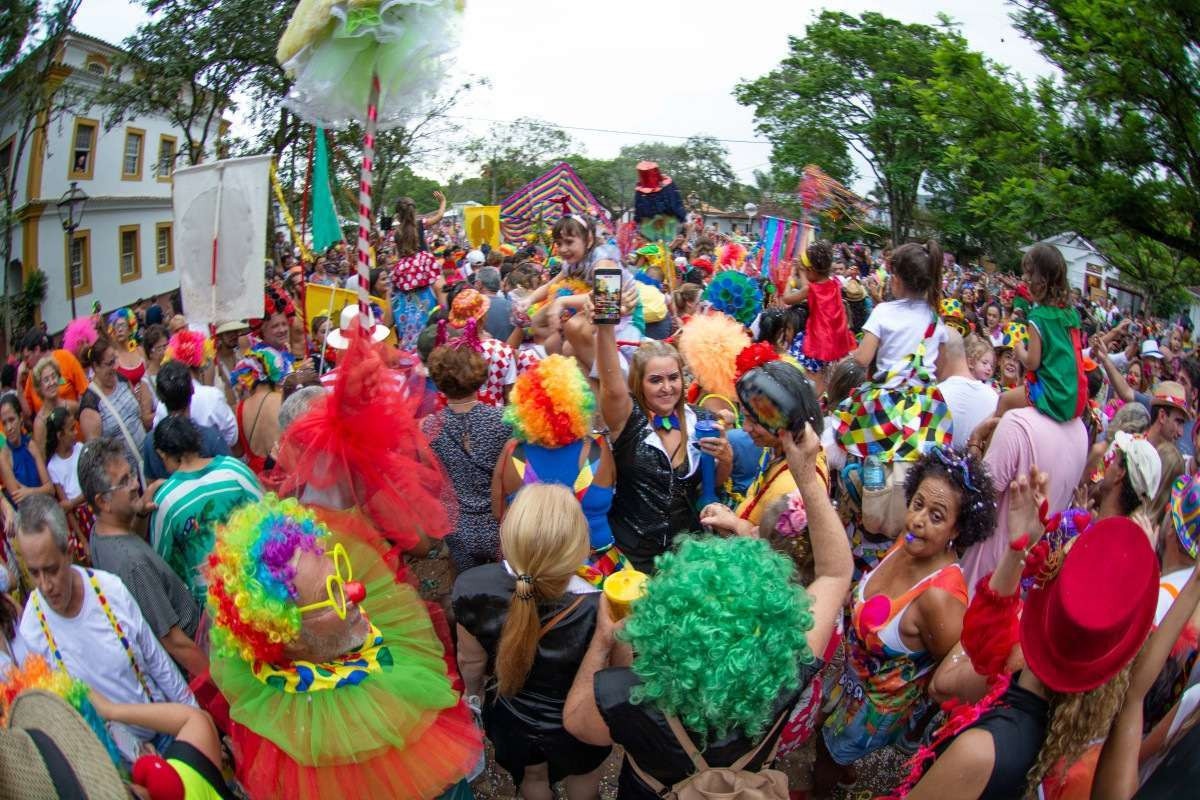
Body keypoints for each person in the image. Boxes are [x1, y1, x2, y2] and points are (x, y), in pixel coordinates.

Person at [562, 424, 853, 799]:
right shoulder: (784, 668)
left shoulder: (629, 693)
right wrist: (807, 476)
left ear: (664, 624)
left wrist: (604, 641)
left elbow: (577, 722)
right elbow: (835, 572)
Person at [205, 495, 481, 800]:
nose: (355, 591)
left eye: (339, 572)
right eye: (330, 593)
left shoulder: (352, 625)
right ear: (291, 636)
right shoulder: (301, 742)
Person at [906, 479, 1158, 799]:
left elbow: (946, 680)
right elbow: (985, 644)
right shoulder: (1058, 729)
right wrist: (1016, 552)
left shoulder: (982, 751)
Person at [819, 447, 997, 789]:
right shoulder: (908, 541)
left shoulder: (939, 598)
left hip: (869, 718)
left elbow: (948, 677)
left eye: (936, 516)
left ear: (957, 531)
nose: (918, 520)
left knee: (825, 769)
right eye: (917, 505)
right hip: (844, 684)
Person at [454, 484, 611, 799]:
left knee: (533, 776)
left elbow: (471, 661)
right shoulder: (603, 604)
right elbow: (618, 673)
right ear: (579, 542)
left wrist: (473, 695)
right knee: (584, 773)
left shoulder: (472, 586)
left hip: (512, 712)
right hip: (579, 718)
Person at [15, 495, 196, 761]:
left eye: (51, 570)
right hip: (115, 763)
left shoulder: (110, 591)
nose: (44, 585)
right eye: (34, 573)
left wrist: (194, 719)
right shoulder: (32, 629)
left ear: (69, 552)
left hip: (166, 734)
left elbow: (159, 664)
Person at [595, 327, 732, 573]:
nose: (667, 388)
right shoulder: (626, 420)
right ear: (639, 383)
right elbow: (611, 386)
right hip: (633, 555)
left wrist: (726, 460)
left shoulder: (702, 420)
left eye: (673, 377)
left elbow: (706, 489)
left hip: (687, 554)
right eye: (656, 380)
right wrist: (605, 325)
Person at [78, 438, 207, 680]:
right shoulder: (133, 564)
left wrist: (139, 513)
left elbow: (127, 538)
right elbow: (174, 641)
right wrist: (225, 686)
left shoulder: (99, 533)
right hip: (192, 663)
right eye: (124, 481)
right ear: (102, 501)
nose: (136, 483)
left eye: (132, 474)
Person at [495, 355, 622, 585]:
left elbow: (499, 512)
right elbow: (614, 496)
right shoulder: (596, 449)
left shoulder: (514, 452)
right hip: (597, 569)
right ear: (578, 404)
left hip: (535, 568)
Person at [960, 401, 1089, 591]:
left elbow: (976, 503)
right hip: (1028, 579)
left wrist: (975, 444)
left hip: (987, 577)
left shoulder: (1017, 423)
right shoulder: (1081, 431)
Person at [700, 354, 829, 535]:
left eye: (754, 421)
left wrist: (734, 526)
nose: (745, 428)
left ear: (785, 422)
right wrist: (731, 519)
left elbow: (778, 554)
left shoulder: (792, 489)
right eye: (744, 417)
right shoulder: (778, 448)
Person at [149, 416, 263, 610]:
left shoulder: (166, 499)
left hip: (212, 604)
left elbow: (161, 558)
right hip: (258, 585)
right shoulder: (234, 469)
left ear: (162, 453)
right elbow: (270, 517)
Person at [422, 341, 511, 572]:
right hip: (500, 522)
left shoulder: (430, 426)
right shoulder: (502, 420)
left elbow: (430, 479)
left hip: (458, 526)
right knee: (506, 585)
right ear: (478, 376)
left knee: (468, 588)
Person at [854, 240, 948, 377]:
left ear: (896, 280)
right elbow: (940, 368)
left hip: (887, 396)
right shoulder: (935, 320)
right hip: (924, 396)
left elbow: (862, 359)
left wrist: (851, 355)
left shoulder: (883, 312)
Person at [143, 361, 232, 481]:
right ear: (193, 391)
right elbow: (230, 474)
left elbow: (151, 483)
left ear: (160, 398)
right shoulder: (211, 437)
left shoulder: (150, 442)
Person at [152, 330, 238, 450]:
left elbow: (159, 436)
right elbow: (232, 434)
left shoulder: (163, 404)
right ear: (201, 363)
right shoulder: (212, 396)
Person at [789, 240, 857, 389]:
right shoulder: (835, 284)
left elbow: (788, 298)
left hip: (817, 340)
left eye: (807, 270)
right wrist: (802, 270)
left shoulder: (811, 289)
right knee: (826, 376)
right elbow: (813, 282)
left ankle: (814, 401)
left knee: (812, 378)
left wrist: (790, 277)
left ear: (812, 270)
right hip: (835, 340)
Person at [78, 338, 153, 469]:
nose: (115, 366)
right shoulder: (90, 405)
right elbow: (97, 455)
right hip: (126, 475)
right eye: (109, 363)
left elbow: (139, 415)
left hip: (148, 461)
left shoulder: (122, 379)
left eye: (115, 360)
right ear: (95, 367)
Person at [391, 196, 445, 351]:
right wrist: (443, 202)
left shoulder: (396, 271)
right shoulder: (427, 259)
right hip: (429, 332)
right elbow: (441, 294)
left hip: (407, 336)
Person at [230, 342, 291, 473]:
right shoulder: (283, 401)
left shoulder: (238, 409)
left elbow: (238, 451)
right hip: (282, 474)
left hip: (257, 480)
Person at [43, 405, 91, 562]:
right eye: (71, 429)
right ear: (60, 435)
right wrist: (83, 540)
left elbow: (91, 487)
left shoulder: (81, 449)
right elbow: (66, 509)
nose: (76, 432)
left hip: (94, 509)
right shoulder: (53, 466)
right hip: (79, 520)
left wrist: (72, 502)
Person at [938, 329, 999, 445]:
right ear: (970, 362)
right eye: (984, 363)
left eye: (991, 365)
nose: (989, 368)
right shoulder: (994, 397)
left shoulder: (935, 395)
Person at [17, 327, 88, 417]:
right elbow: (27, 413)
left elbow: (85, 393)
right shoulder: (33, 375)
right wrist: (18, 384)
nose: (26, 363)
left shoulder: (66, 358)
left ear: (37, 350)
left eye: (27, 357)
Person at [0, 393, 53, 505]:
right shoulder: (4, 457)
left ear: (20, 418)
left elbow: (50, 489)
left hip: (46, 508)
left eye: (11, 420)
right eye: (4, 423)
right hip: (27, 517)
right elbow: (20, 501)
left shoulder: (31, 445)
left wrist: (29, 492)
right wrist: (40, 491)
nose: (9, 428)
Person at [29, 355, 78, 458]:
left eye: (53, 376)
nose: (51, 382)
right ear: (39, 387)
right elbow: (42, 460)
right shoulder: (40, 423)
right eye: (46, 380)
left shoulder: (71, 406)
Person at [107, 308, 149, 388]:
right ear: (113, 331)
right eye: (116, 327)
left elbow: (148, 377)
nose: (120, 329)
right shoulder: (113, 357)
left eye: (122, 325)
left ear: (130, 329)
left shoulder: (140, 351)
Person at [477, 265, 514, 342]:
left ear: (479, 284)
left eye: (475, 282)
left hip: (481, 352)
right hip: (508, 352)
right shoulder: (512, 307)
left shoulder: (474, 307)